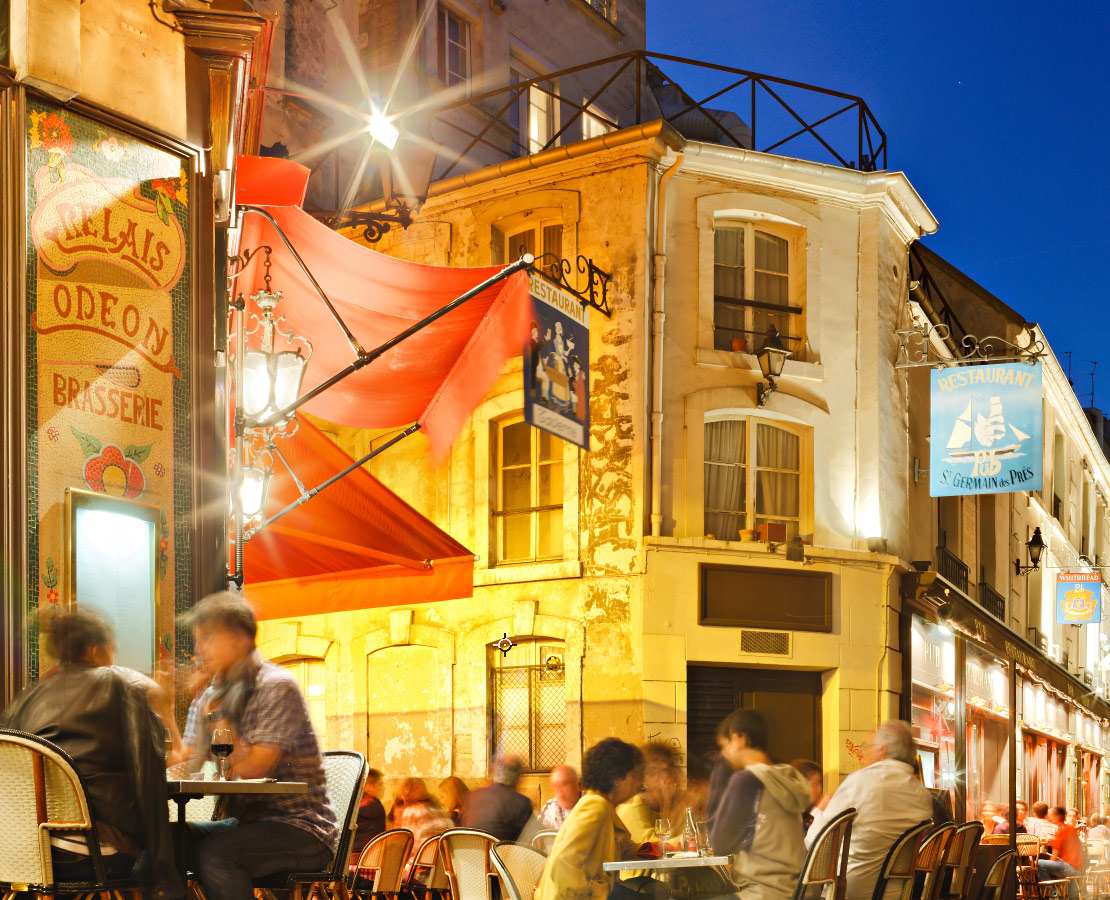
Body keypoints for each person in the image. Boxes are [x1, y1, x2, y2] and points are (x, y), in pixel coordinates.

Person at [2, 609, 184, 900]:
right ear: (97, 649)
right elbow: (148, 776)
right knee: (175, 853)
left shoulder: (26, 700)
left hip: (27, 854)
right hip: (96, 854)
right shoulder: (119, 683)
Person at [179, 592, 337, 900]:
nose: (198, 650)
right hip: (244, 824)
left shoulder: (275, 686)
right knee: (163, 844)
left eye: (207, 638)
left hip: (301, 828)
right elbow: (186, 761)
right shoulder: (211, 692)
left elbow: (252, 769)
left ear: (239, 640)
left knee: (218, 854)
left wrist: (217, 712)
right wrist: (158, 710)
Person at [806, 721, 933, 900]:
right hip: (898, 894)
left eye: (867, 747)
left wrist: (819, 809)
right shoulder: (922, 795)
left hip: (849, 892)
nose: (863, 752)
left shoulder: (861, 781)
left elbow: (816, 842)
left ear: (883, 751)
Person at [708, 709, 811, 900]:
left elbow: (719, 843)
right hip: (793, 890)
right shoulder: (786, 777)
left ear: (739, 738)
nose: (723, 754)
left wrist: (719, 775)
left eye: (725, 745)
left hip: (759, 893)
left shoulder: (747, 780)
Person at [535, 738, 646, 900]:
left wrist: (661, 848)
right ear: (616, 779)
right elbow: (563, 864)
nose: (638, 783)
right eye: (634, 776)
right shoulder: (596, 806)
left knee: (651, 889)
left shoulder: (602, 806)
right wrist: (599, 895)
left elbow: (624, 848)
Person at [461, 754, 533, 841]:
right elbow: (534, 837)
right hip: (501, 854)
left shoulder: (472, 796)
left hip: (470, 853)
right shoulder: (521, 802)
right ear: (518, 779)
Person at [393, 778, 452, 868]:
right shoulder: (440, 811)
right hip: (442, 870)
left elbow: (406, 848)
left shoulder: (412, 812)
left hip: (419, 869)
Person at [1039, 806, 1084, 899]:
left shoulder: (1062, 831)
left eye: (1050, 814)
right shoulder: (1068, 829)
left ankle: (1053, 895)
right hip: (1078, 866)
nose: (1048, 816)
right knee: (1049, 866)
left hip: (1072, 867)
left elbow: (1054, 857)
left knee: (1040, 864)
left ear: (1057, 816)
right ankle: (1061, 893)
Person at [349, 768, 387, 865]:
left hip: (352, 862)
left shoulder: (354, 805)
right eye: (380, 784)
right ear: (368, 785)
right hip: (370, 861)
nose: (384, 788)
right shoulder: (374, 805)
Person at [540, 765, 583, 831]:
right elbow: (536, 833)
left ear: (578, 786)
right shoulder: (551, 807)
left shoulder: (590, 804)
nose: (558, 790)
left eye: (564, 784)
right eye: (554, 786)